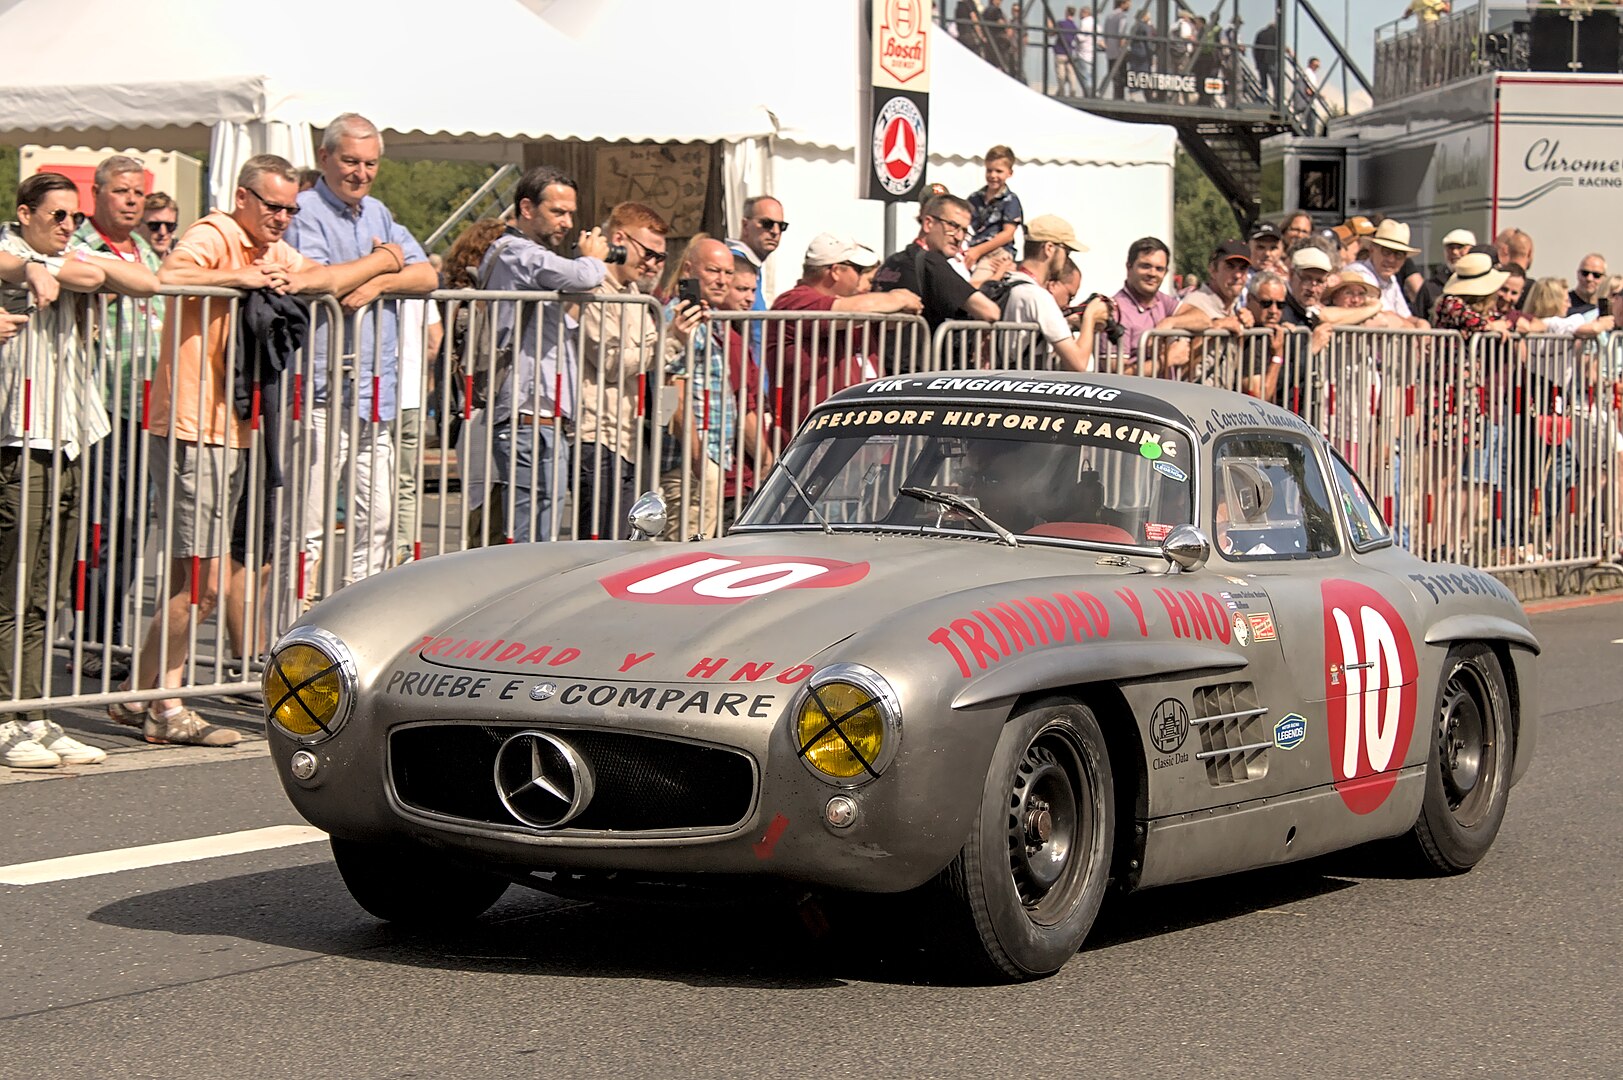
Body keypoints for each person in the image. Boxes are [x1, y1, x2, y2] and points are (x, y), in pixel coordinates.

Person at [131, 153, 401, 747]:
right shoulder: (215, 232)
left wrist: (383, 262)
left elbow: (323, 278)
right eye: (272, 206)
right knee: (198, 584)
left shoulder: (270, 248)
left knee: (194, 577)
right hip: (193, 425)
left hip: (235, 426)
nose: (282, 218)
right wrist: (241, 278)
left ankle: (137, 691)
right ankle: (165, 707)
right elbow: (170, 273)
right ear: (242, 198)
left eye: (290, 209)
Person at [1, 173, 155, 768]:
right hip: (20, 435)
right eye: (57, 216)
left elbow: (142, 280)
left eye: (75, 216)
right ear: (25, 213)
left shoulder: (65, 258)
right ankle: (7, 715)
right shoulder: (10, 248)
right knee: (14, 587)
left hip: (66, 434)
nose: (69, 226)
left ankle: (36, 713)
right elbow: (11, 262)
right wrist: (30, 268)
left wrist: (53, 268)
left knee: (49, 589)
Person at [285, 113, 437, 592]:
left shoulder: (379, 213)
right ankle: (293, 621)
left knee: (378, 519)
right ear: (325, 157)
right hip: (319, 393)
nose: (361, 173)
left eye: (370, 164)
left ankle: (358, 617)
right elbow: (322, 281)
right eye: (351, 161)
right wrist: (385, 259)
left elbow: (427, 275)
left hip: (374, 393)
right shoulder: (303, 211)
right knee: (308, 525)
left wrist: (377, 281)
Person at [476, 167, 608, 543]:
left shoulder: (532, 258)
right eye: (558, 212)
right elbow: (583, 276)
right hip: (524, 417)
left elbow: (560, 322)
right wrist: (593, 259)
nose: (567, 222)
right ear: (527, 208)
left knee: (542, 532)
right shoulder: (515, 252)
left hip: (545, 418)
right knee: (529, 537)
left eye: (571, 213)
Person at [71, 156, 167, 667]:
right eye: (121, 191)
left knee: (133, 528)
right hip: (100, 406)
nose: (131, 201)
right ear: (98, 193)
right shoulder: (80, 245)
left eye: (138, 193)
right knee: (102, 527)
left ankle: (108, 634)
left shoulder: (144, 250)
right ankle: (90, 638)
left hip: (145, 407)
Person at [576, 202, 699, 540]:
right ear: (619, 239)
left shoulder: (634, 294)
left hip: (628, 437)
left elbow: (649, 352)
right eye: (649, 253)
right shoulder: (595, 290)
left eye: (661, 257)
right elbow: (612, 362)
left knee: (626, 542)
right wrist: (671, 340)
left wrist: (674, 337)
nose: (654, 264)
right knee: (601, 544)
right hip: (598, 435)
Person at [769, 233, 922, 432]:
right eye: (857, 270)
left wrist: (899, 301)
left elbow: (898, 315)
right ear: (835, 271)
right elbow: (855, 308)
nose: (861, 278)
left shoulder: (855, 305)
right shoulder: (794, 301)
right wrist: (897, 298)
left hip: (861, 432)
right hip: (815, 436)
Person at [660, 238, 737, 539]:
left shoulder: (706, 316)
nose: (722, 280)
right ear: (689, 270)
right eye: (713, 270)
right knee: (686, 551)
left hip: (707, 456)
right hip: (691, 462)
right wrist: (697, 459)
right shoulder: (681, 318)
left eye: (728, 273)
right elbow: (671, 392)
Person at [873, 192, 1002, 334]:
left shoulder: (892, 261)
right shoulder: (931, 262)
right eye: (952, 226)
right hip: (919, 347)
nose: (959, 237)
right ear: (928, 223)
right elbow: (990, 312)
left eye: (964, 230)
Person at [999, 214, 1108, 372]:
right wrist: (1090, 317)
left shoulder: (1008, 280)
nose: (1066, 260)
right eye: (1066, 252)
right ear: (1049, 248)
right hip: (1026, 380)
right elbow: (1078, 364)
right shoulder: (1037, 296)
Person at [718, 254, 773, 527]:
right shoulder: (732, 342)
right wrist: (765, 457)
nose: (749, 298)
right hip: (735, 475)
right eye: (741, 289)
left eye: (753, 290)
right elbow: (743, 409)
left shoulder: (737, 336)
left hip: (739, 473)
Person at [725, 194, 786, 368]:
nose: (775, 231)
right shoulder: (732, 262)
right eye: (767, 223)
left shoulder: (752, 263)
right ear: (745, 225)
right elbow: (756, 329)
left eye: (782, 226)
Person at [1111, 237, 1177, 370]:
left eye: (1159, 269)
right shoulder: (1116, 310)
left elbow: (1202, 319)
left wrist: (1169, 322)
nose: (1152, 273)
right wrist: (1168, 360)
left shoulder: (1162, 300)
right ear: (1129, 267)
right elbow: (1114, 373)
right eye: (1146, 266)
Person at [1351, 219, 1428, 326]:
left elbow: (1405, 316)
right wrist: (1415, 329)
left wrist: (1421, 323)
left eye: (1398, 255)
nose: (1391, 259)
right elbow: (1386, 314)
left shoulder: (1391, 279)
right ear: (1372, 250)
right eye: (1386, 252)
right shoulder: (1358, 272)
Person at [966, 145, 1023, 267]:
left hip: (997, 252)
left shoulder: (1010, 200)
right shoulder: (974, 198)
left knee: (979, 277)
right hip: (972, 247)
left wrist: (978, 251)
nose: (993, 175)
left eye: (999, 171)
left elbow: (1008, 235)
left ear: (1010, 173)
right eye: (989, 170)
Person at [1242, 270, 1289, 401]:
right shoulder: (1252, 337)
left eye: (1280, 305)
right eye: (1266, 303)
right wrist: (1277, 356)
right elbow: (1259, 396)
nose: (1273, 311)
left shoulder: (1278, 330)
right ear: (1249, 299)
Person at [1413, 228, 1477, 322]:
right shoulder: (1431, 286)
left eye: (1460, 247)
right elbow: (1418, 318)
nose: (1454, 252)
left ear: (1472, 250)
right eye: (1450, 248)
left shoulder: (1481, 284)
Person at [1103, 0, 1131, 99]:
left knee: (1114, 76)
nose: (1130, 5)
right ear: (1122, 3)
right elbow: (1121, 34)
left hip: (1110, 51)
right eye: (1128, 3)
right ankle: (1120, 97)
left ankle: (1116, 96)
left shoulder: (1109, 16)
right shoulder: (1122, 17)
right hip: (1119, 52)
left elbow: (1105, 34)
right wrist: (1123, 48)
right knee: (1121, 77)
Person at [1567, 253, 1608, 318]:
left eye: (1596, 275)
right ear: (1577, 274)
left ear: (1604, 278)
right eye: (1585, 273)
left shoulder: (1608, 307)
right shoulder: (1564, 303)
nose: (1589, 279)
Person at [140, 191, 180, 257]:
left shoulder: (185, 258)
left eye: (170, 226)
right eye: (154, 225)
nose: (163, 232)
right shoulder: (127, 259)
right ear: (138, 225)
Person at [1052, 7, 1080, 97]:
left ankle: (1062, 93)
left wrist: (1049, 25)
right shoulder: (1075, 27)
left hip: (1060, 52)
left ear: (1067, 13)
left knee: (1061, 75)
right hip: (1070, 53)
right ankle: (1073, 91)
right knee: (1071, 74)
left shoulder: (1061, 23)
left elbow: (1051, 33)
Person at [1253, 18, 1279, 100]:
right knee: (1275, 81)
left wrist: (1257, 62)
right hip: (1272, 61)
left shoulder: (1260, 33)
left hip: (1261, 61)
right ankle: (1277, 98)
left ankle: (1263, 97)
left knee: (1263, 81)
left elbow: (1255, 49)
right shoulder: (1276, 34)